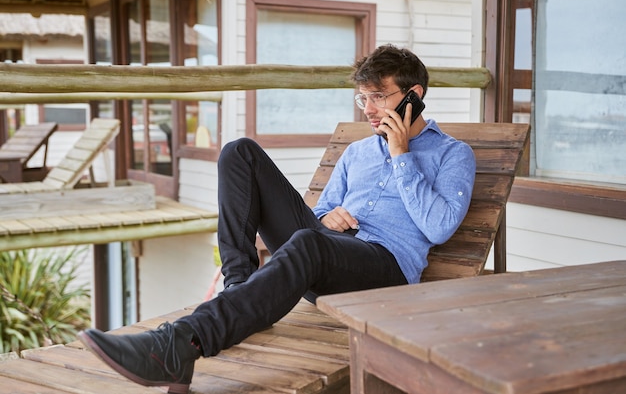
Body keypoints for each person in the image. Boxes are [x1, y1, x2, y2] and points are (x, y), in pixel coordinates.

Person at [78, 44, 476, 394]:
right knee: (239, 152)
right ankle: (239, 287)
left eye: (378, 96)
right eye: (362, 98)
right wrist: (328, 216)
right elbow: (319, 213)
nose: (369, 109)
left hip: (386, 272)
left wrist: (401, 153)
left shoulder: (452, 154)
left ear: (414, 96)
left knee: (308, 242)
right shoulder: (357, 152)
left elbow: (439, 226)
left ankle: (181, 345)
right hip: (329, 250)